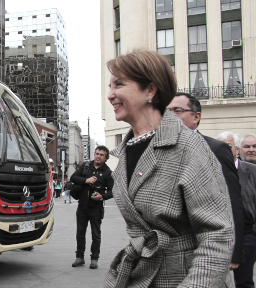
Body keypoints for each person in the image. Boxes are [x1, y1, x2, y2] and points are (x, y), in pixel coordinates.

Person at [104, 50, 234, 287]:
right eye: (109, 86)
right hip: (143, 274)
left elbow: (217, 234)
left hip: (186, 276)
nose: (110, 95)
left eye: (119, 84)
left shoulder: (188, 146)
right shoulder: (125, 150)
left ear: (150, 91)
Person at [168, 93, 244, 270]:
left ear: (196, 117)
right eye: (167, 111)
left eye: (177, 111)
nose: (170, 116)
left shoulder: (216, 149)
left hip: (206, 248)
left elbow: (232, 201)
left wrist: (233, 251)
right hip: (170, 252)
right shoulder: (160, 151)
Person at [217, 131, 256, 288]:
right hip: (220, 235)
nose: (224, 150)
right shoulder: (211, 171)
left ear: (237, 149)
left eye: (228, 146)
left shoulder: (252, 170)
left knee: (244, 281)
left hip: (247, 234)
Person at [70, 146, 113, 269]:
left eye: (101, 155)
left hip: (96, 208)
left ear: (106, 158)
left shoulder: (108, 173)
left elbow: (112, 191)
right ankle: (79, 257)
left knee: (96, 235)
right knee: (80, 233)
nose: (98, 156)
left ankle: (94, 259)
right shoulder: (86, 166)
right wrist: (86, 180)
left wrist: (102, 196)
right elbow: (73, 177)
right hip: (82, 206)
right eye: (97, 153)